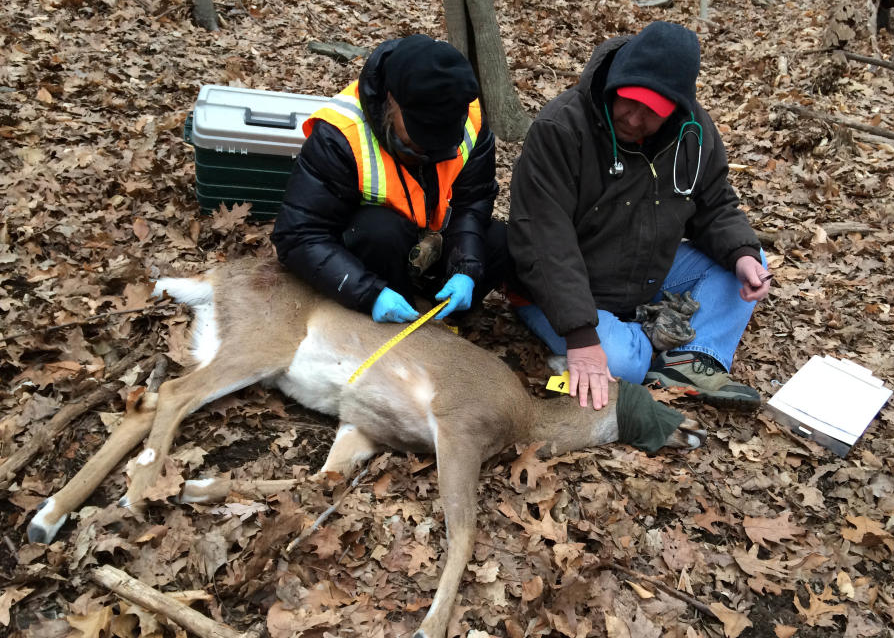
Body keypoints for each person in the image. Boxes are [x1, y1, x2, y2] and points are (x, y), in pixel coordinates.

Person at [508, 21, 771, 411]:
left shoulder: (694, 134)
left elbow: (715, 204)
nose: (633, 119)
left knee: (747, 261)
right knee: (624, 366)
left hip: (645, 272)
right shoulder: (561, 127)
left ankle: (691, 358)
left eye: (652, 112)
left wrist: (743, 255)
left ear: (678, 109)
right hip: (563, 289)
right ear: (615, 83)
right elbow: (544, 240)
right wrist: (582, 339)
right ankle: (649, 339)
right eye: (628, 101)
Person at [272, 35, 509, 323]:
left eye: (442, 136)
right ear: (392, 99)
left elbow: (473, 202)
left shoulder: (472, 121)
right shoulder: (340, 134)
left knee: (499, 240)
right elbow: (298, 235)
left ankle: (445, 319)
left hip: (433, 241)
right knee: (380, 231)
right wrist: (368, 292)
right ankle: (392, 317)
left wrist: (466, 269)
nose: (431, 148)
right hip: (372, 255)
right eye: (421, 132)